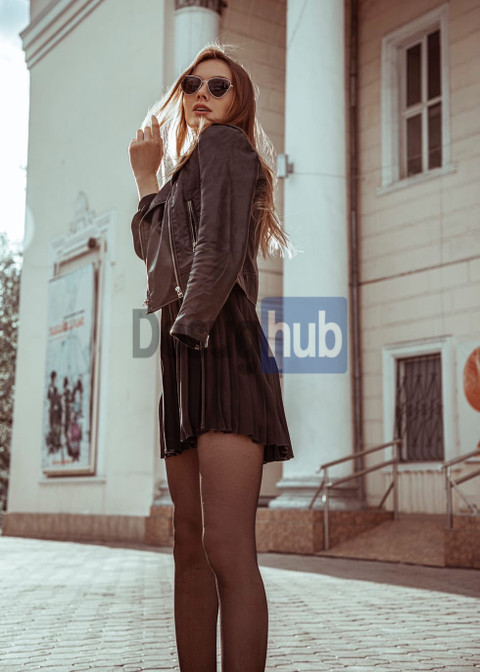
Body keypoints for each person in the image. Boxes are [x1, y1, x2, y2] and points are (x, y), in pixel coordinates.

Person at [128, 42, 295, 672]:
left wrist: (189, 330)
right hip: (186, 352)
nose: (202, 93)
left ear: (238, 100)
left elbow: (219, 250)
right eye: (193, 84)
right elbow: (155, 259)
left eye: (218, 86)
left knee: (225, 547)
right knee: (189, 547)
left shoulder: (226, 146)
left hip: (218, 347)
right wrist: (146, 179)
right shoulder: (186, 169)